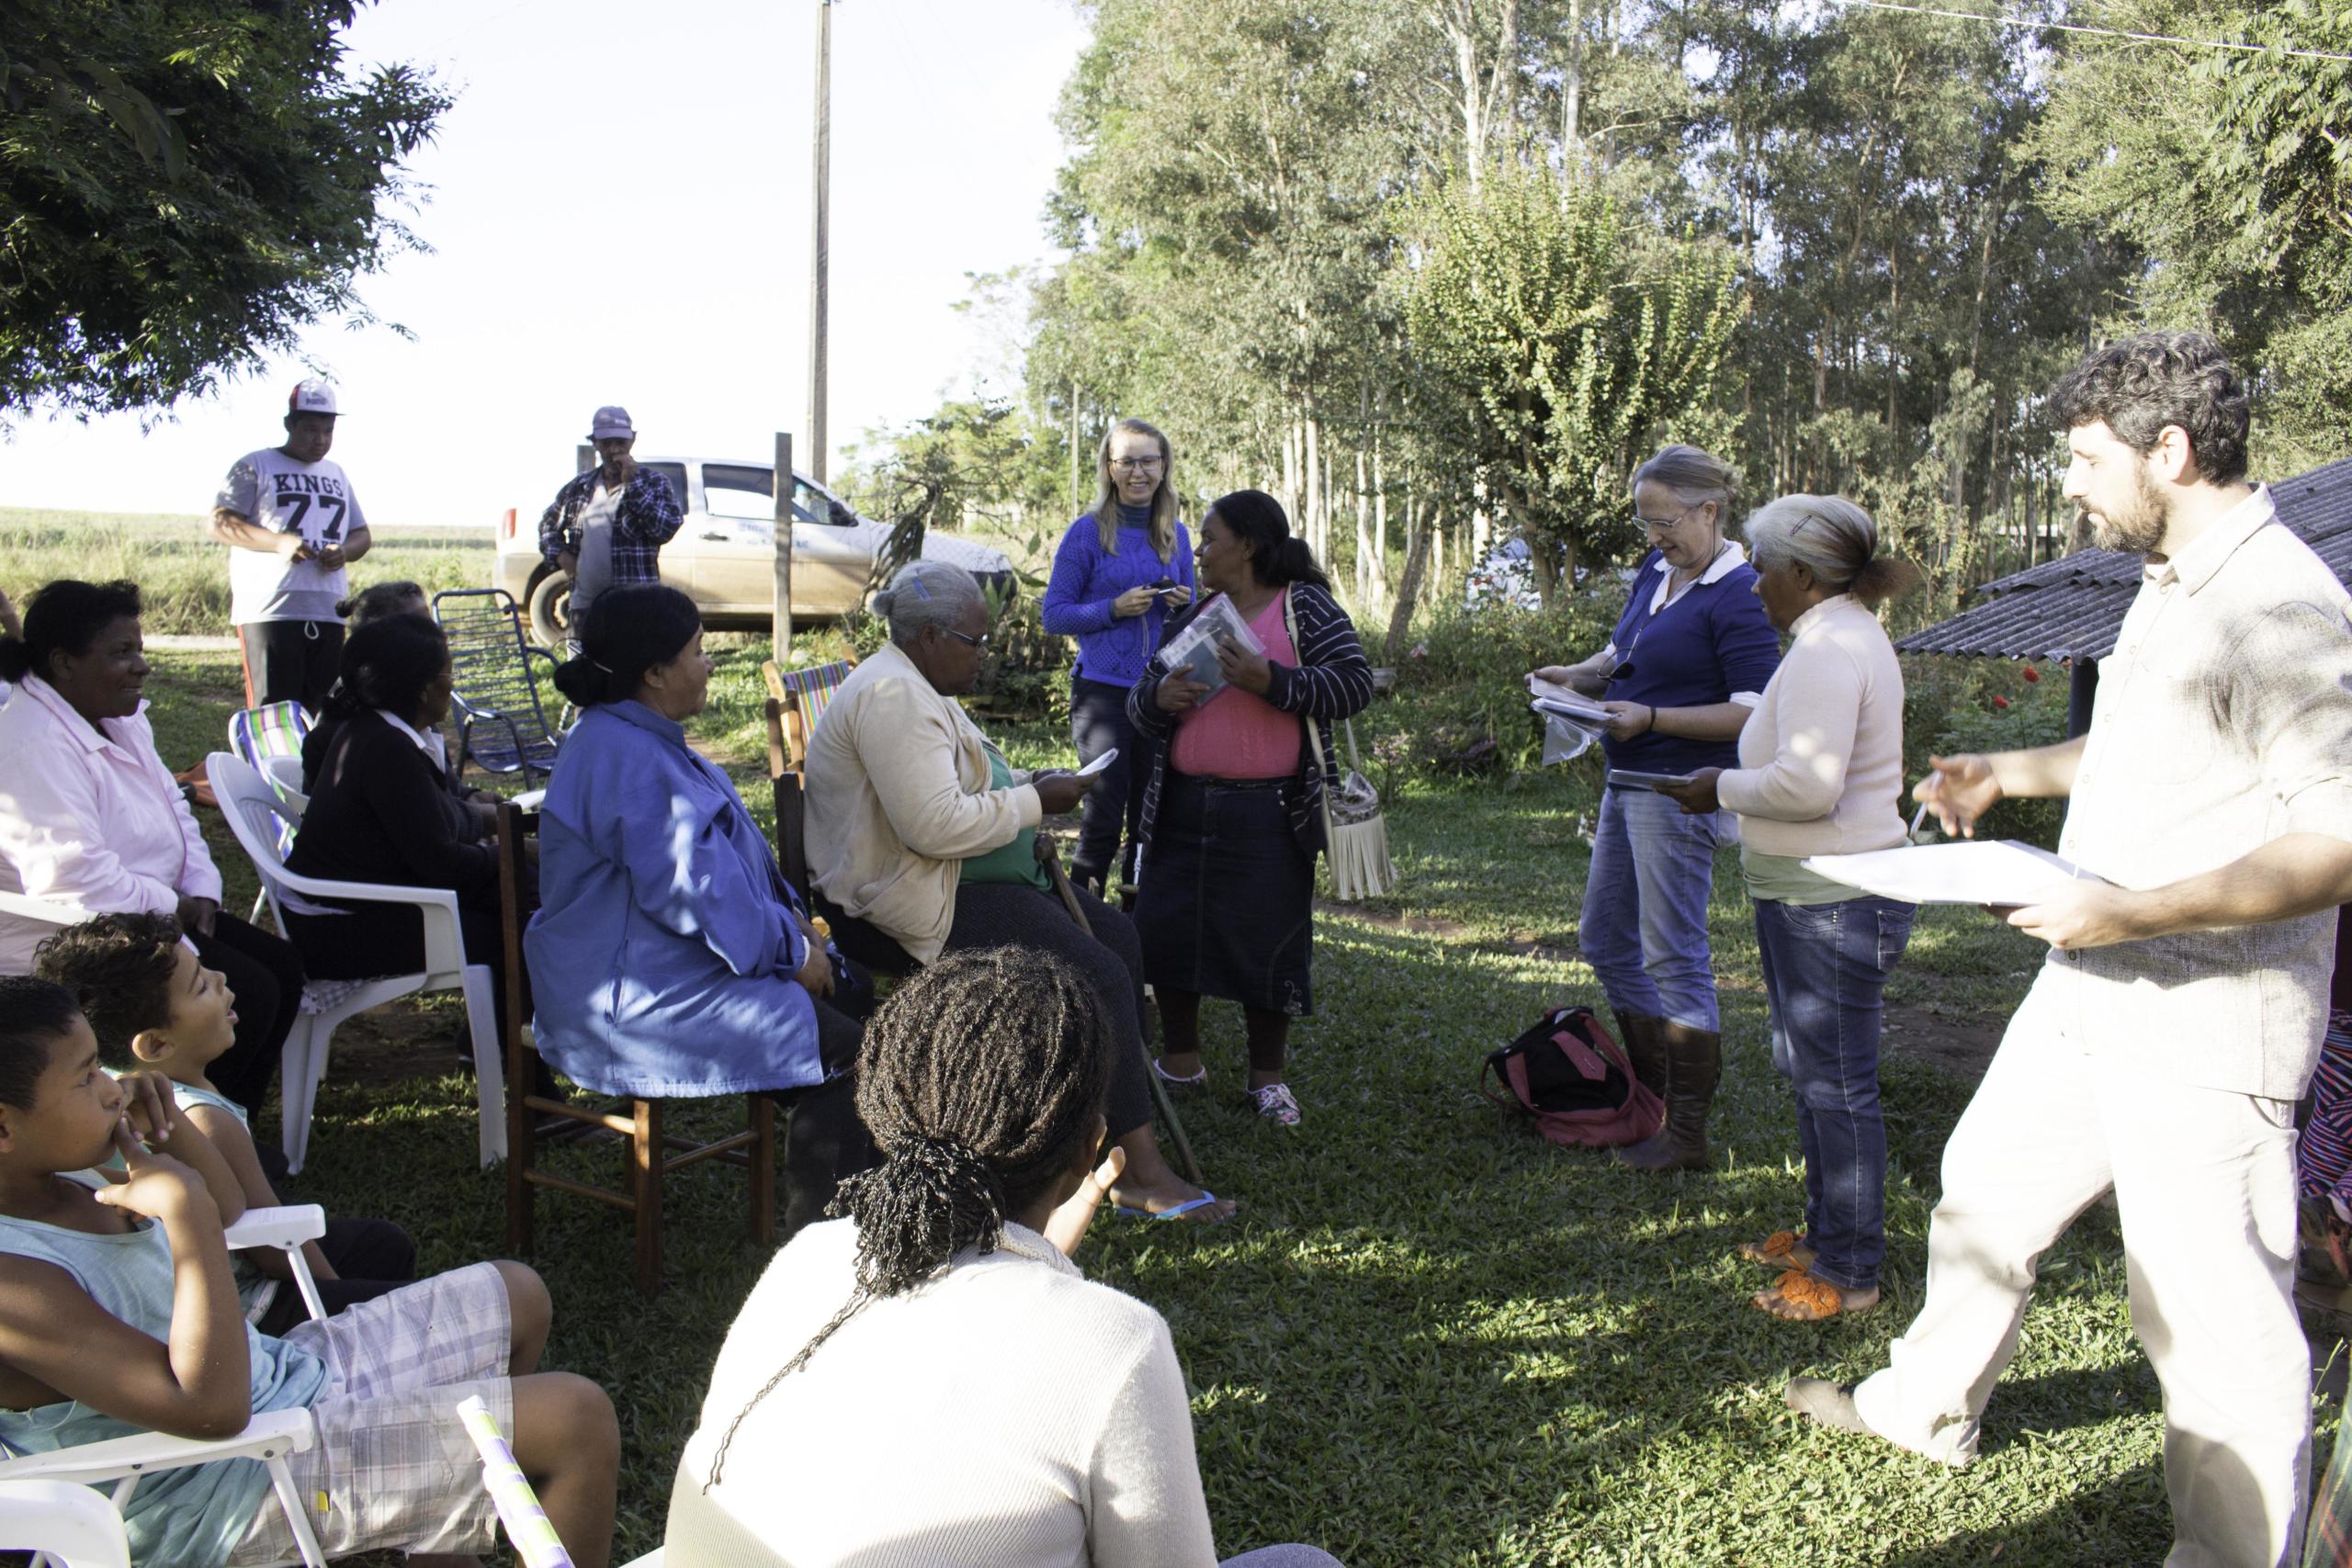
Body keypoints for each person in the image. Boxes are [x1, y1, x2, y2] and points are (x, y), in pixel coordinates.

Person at [1786, 333, 2352, 1566]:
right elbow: (2154, 741)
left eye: (2089, 459)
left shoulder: (2283, 607)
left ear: (2171, 450)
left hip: (2208, 1018)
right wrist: (2010, 771)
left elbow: (2338, 840)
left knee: (2209, 1320)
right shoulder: (2171, 576)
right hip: (2091, 988)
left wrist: (2127, 912)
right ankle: (1924, 1406)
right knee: (1984, 1187)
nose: (2072, 483)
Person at [665, 946, 1344, 1568]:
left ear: (888, 1109)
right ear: (1089, 1147)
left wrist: (1033, 1261)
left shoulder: (810, 1252)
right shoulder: (1119, 1344)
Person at [0, 976, 619, 1566]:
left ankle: (439, 1540)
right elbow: (212, 1410)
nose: (113, 1089)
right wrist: (186, 1216)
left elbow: (231, 1209)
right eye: (86, 1077)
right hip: (218, 1490)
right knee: (575, 1418)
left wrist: (171, 1129)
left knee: (517, 1293)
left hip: (284, 1384)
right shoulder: (14, 1282)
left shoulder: (66, 1169)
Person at [805, 559, 1231, 1222]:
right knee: (1098, 970)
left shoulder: (917, 684)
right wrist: (1037, 800)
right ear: (929, 636)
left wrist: (1032, 781)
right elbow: (934, 826)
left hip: (947, 879)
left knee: (1117, 936)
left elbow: (962, 785)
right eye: (974, 641)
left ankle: (1097, 1120)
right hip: (901, 900)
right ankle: (1138, 1172)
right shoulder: (892, 697)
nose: (983, 655)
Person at [526, 585, 870, 1235]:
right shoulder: (627, 755)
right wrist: (794, 954)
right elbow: (699, 894)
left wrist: (796, 931)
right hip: (629, 996)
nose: (709, 664)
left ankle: (869, 1200)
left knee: (854, 992)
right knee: (849, 1054)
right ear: (654, 673)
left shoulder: (636, 736)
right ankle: (824, 1248)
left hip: (656, 964)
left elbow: (727, 874)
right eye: (697, 651)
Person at [1656, 496, 1921, 1320]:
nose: (1753, 583)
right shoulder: (1834, 634)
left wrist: (1720, 787)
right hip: (1815, 894)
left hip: (1832, 901)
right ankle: (1825, 1236)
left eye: (1763, 567)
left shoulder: (1829, 648)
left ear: (1802, 574)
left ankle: (1850, 1271)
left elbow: (1807, 787)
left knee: (1835, 1086)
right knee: (1814, 1076)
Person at [1532, 444, 1780, 1172]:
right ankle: (1654, 1097)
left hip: (1678, 788)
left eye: (1665, 521)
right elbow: (1621, 652)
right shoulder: (1658, 570)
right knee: (1607, 939)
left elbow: (1753, 711)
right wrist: (1574, 676)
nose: (1654, 535)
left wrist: (1653, 718)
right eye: (1646, 521)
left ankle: (1686, 1134)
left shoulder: (1741, 592)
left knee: (1673, 953)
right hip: (1628, 777)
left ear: (1710, 510)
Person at [0, 580, 304, 1121]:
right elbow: (74, 882)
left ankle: (232, 1124)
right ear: (63, 663)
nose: (141, 666)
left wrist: (202, 889)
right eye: (122, 652)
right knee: (250, 994)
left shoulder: (117, 715)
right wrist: (172, 905)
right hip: (78, 933)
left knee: (282, 967)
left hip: (151, 910)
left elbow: (174, 804)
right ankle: (192, 1129)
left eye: (139, 649)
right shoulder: (32, 743)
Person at [35, 912, 417, 1337]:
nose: (220, 978)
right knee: (389, 1305)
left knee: (384, 1244)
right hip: (249, 1307)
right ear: (157, 1044)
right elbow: (269, 1242)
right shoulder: (204, 1119)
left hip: (216, 1274)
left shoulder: (120, 1088)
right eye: (200, 986)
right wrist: (342, 1306)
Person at [1125, 490, 1372, 1126]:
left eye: (1210, 539)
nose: (1200, 551)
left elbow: (1355, 683)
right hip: (1182, 807)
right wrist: (1159, 698)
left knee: (1269, 940)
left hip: (1272, 812)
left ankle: (1267, 1080)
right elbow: (1139, 702)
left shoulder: (1303, 606)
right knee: (1168, 934)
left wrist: (1272, 681)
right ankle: (1181, 1062)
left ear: (1250, 545)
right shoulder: (1199, 614)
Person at [281, 615, 525, 1043]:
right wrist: (517, 852)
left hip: (363, 902)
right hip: (337, 930)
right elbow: (443, 864)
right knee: (509, 926)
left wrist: (493, 828)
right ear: (423, 688)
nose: (452, 685)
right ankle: (512, 1055)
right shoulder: (386, 749)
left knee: (515, 896)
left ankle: (505, 1049)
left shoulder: (377, 730)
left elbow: (433, 819)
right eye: (448, 675)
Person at [1042, 418, 1196, 896]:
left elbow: (1193, 618)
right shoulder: (1087, 533)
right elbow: (1054, 615)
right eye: (1126, 461)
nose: (1138, 472)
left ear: (1164, 466)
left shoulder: (1177, 534)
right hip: (1103, 694)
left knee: (1151, 819)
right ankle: (1080, 921)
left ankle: (1136, 920)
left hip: (1160, 695)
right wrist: (1113, 609)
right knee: (1104, 816)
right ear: (1109, 468)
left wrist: (1184, 605)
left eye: (1148, 461)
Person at [209, 379, 372, 712]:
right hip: (271, 609)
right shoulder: (254, 465)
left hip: (328, 609)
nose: (320, 439)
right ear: (289, 424)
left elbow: (361, 535)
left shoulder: (337, 474)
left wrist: (344, 552)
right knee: (274, 714)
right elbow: (219, 523)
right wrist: (278, 542)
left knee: (325, 712)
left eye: (328, 431)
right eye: (311, 430)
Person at [537, 405, 683, 650]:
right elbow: (547, 524)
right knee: (586, 669)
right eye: (606, 443)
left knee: (633, 669)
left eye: (620, 442)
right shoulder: (579, 487)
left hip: (637, 605)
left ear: (632, 441)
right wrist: (562, 557)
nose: (614, 450)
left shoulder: (654, 483)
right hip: (586, 606)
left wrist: (633, 484)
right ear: (595, 444)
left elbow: (664, 529)